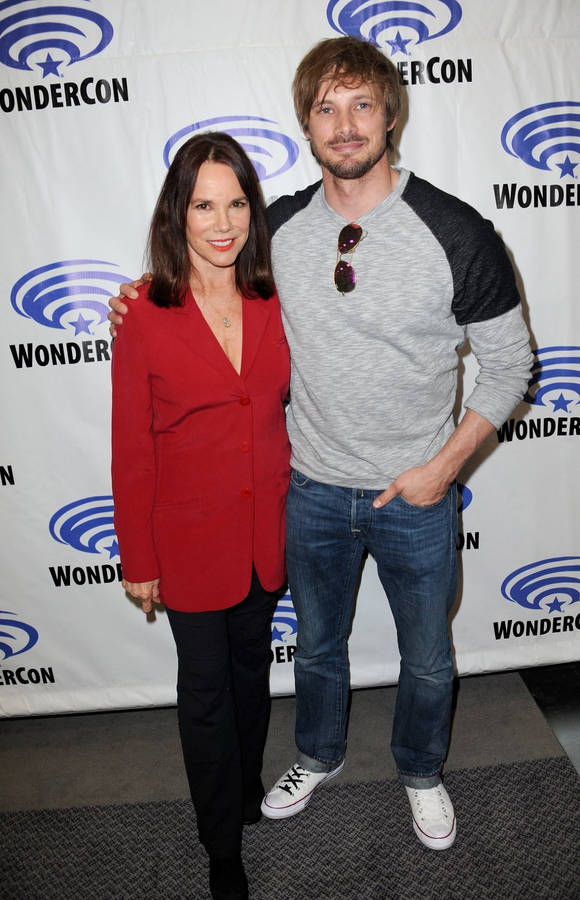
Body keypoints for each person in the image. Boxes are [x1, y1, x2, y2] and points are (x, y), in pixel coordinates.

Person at [110, 37, 532, 855]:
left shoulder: (456, 229)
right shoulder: (276, 231)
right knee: (318, 652)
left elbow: (512, 364)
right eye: (325, 108)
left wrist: (441, 471)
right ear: (306, 124)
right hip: (305, 492)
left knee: (428, 659)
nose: (345, 126)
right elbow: (201, 285)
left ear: (391, 114)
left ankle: (420, 770)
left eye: (361, 105)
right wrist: (136, 301)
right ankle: (318, 754)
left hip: (416, 493)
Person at [110, 131, 291, 900]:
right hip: (185, 546)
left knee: (254, 677)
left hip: (266, 535)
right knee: (208, 694)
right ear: (177, 214)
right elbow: (131, 448)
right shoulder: (145, 313)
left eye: (237, 202)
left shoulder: (277, 295)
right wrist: (138, 558)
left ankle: (247, 791)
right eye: (204, 204)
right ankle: (221, 845)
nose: (223, 222)